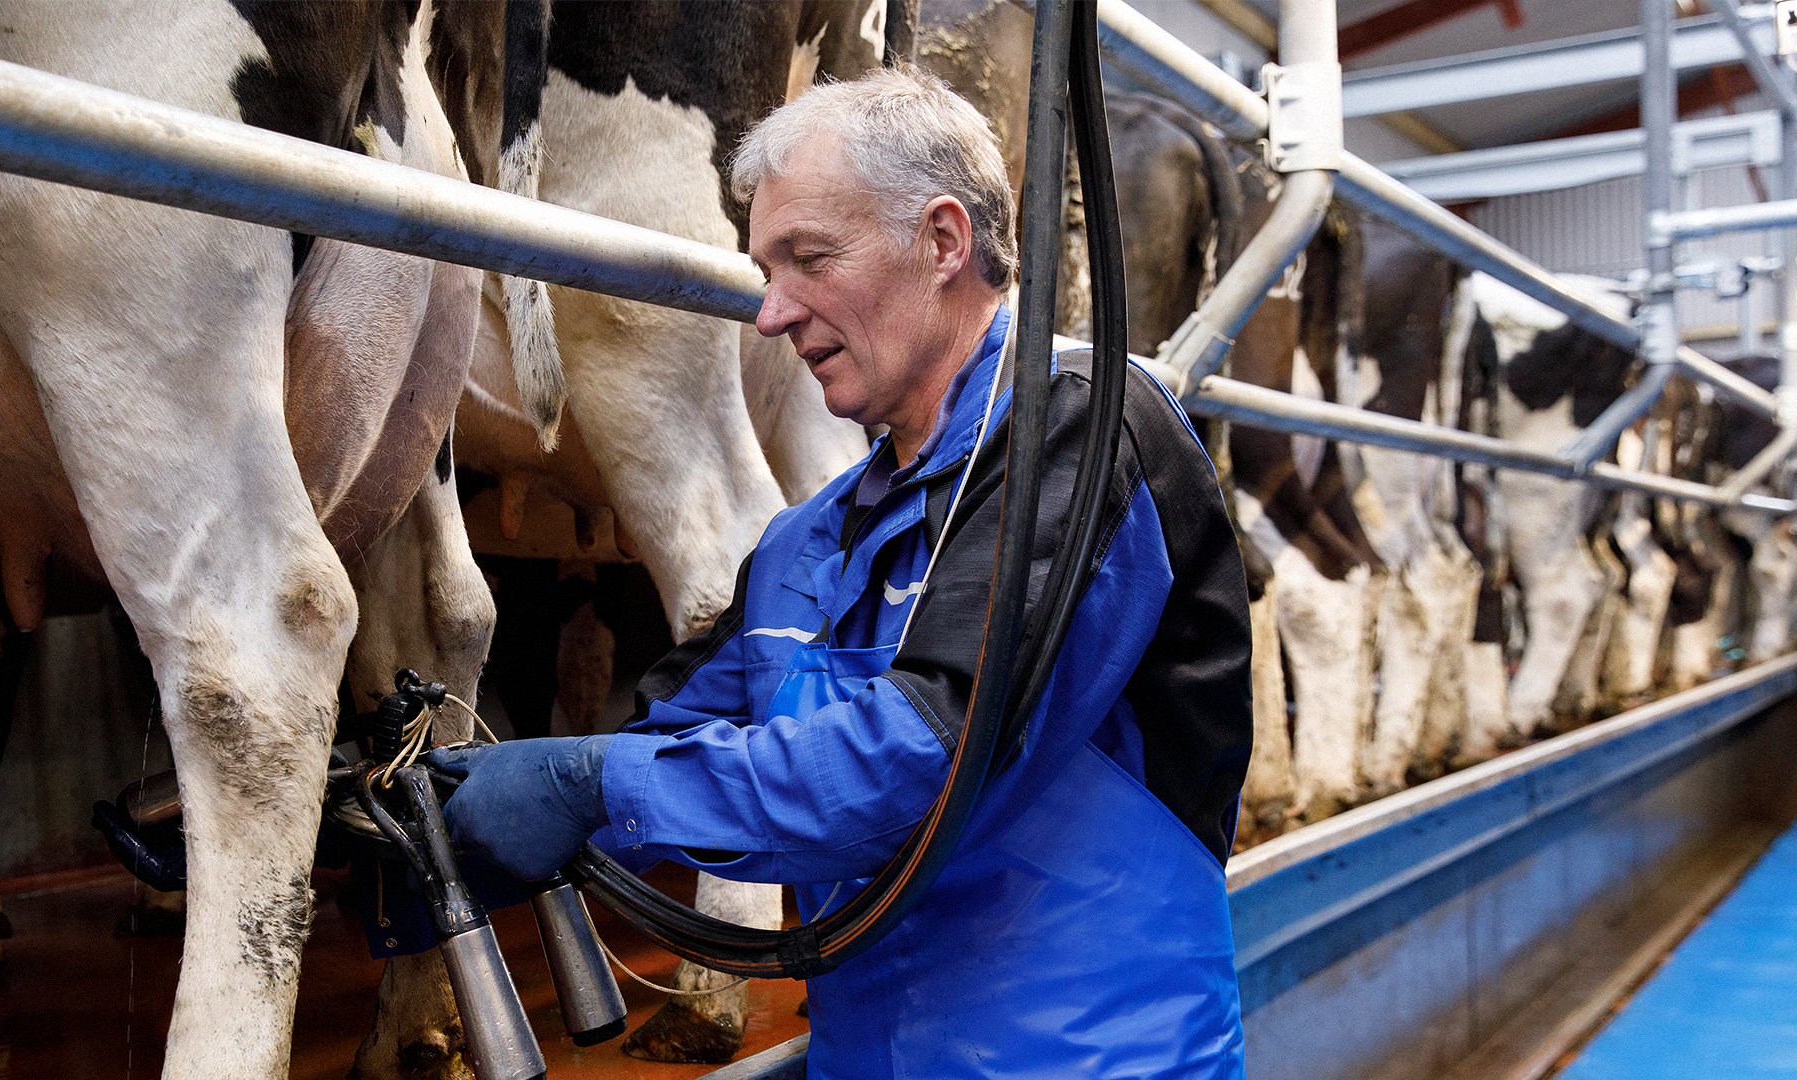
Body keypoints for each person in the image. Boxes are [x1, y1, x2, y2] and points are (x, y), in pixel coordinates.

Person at [431, 66, 1252, 1078]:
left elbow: (922, 758)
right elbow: (663, 739)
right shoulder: (803, 545)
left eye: (808, 259)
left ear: (945, 241)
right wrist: (442, 805)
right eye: (765, 271)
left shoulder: (1084, 436)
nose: (770, 315)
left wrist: (589, 783)